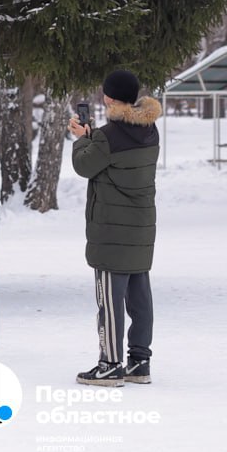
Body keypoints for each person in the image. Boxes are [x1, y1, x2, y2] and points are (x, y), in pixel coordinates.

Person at [69, 70, 161, 387]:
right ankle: (140, 361)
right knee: (140, 297)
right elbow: (114, 156)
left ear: (109, 97)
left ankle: (110, 363)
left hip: (111, 231)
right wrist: (95, 137)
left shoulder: (108, 136)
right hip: (141, 228)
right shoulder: (150, 130)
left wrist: (82, 139)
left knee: (110, 300)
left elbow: (85, 165)